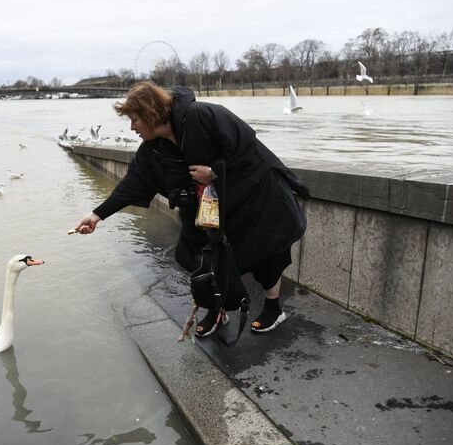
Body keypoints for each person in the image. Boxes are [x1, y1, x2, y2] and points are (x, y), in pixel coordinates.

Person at [74, 81, 308, 338]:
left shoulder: (203, 115)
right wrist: (97, 215)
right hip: (207, 211)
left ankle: (273, 308)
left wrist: (215, 172)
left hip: (252, 196)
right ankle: (217, 309)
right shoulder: (152, 150)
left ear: (151, 114)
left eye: (134, 119)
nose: (131, 128)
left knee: (265, 251)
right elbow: (131, 185)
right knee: (198, 258)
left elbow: (246, 147)